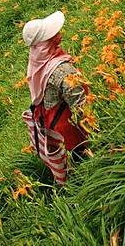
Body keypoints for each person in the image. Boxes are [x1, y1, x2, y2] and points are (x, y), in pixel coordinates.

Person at [22, 10, 88, 158]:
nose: (58, 31)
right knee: (83, 155)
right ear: (46, 43)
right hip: (74, 129)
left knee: (75, 157)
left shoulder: (37, 60)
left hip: (54, 127)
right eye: (51, 33)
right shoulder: (61, 70)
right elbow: (80, 105)